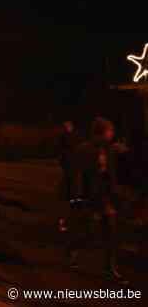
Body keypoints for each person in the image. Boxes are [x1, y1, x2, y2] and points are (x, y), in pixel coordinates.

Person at [67, 117, 127, 285]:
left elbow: (112, 174)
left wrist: (114, 194)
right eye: (110, 131)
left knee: (111, 232)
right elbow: (77, 175)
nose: (112, 134)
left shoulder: (109, 150)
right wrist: (77, 198)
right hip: (89, 198)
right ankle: (73, 250)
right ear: (102, 132)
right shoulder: (83, 149)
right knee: (88, 232)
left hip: (105, 197)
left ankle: (110, 267)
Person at [58, 120, 79, 232]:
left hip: (70, 163)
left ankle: (71, 197)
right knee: (70, 182)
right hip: (69, 163)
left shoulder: (71, 137)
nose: (67, 128)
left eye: (68, 126)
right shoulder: (65, 137)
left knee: (71, 182)